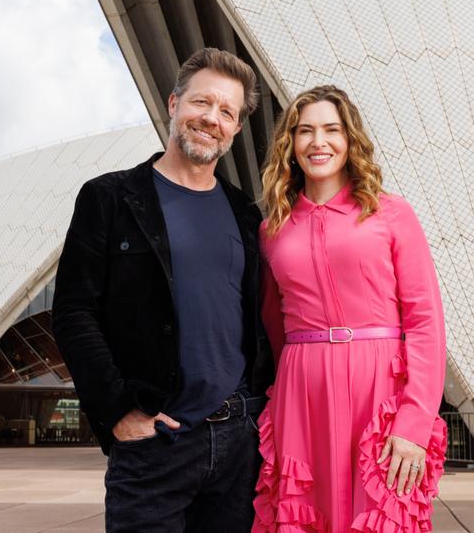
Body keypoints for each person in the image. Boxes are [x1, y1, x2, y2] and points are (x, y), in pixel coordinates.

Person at [52, 47, 274, 532]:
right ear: (174, 104)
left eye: (226, 112)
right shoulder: (110, 198)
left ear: (235, 129)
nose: (211, 118)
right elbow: (72, 313)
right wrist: (117, 412)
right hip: (156, 441)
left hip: (239, 441)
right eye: (202, 102)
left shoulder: (245, 213)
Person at [252, 86, 447, 532]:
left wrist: (415, 420)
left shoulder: (391, 213)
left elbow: (425, 320)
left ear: (349, 138)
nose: (318, 142)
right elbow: (272, 325)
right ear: (291, 144)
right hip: (301, 395)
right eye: (305, 131)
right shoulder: (272, 230)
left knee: (381, 514)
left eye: (331, 130)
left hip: (380, 391)